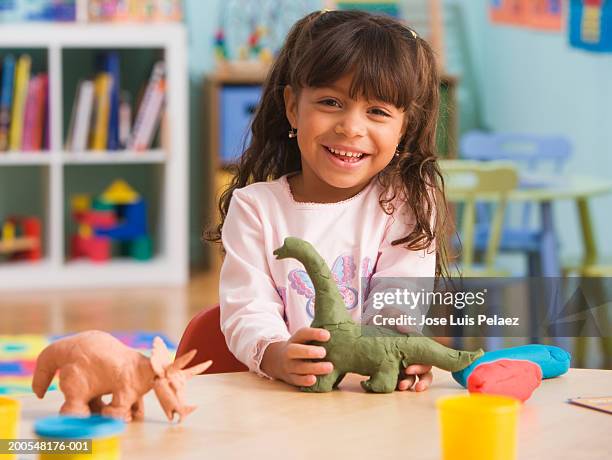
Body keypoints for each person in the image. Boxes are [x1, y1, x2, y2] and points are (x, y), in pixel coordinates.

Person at [205, 9, 453, 392]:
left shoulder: (408, 204)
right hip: (283, 404)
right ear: (292, 107)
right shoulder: (255, 208)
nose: (351, 127)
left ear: (405, 128)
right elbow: (247, 309)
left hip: (371, 407)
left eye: (377, 111)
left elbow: (399, 302)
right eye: (330, 102)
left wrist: (399, 352)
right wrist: (275, 353)